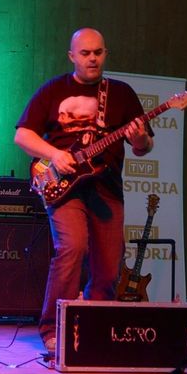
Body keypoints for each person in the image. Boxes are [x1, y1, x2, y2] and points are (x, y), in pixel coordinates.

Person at [14, 28, 154, 354]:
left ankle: (93, 325)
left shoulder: (121, 94)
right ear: (72, 56)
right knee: (73, 247)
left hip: (106, 187)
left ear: (105, 54)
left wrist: (139, 139)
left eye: (98, 52)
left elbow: (144, 146)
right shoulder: (54, 90)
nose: (93, 59)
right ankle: (53, 328)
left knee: (109, 264)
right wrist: (55, 154)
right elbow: (23, 136)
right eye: (86, 53)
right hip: (64, 187)